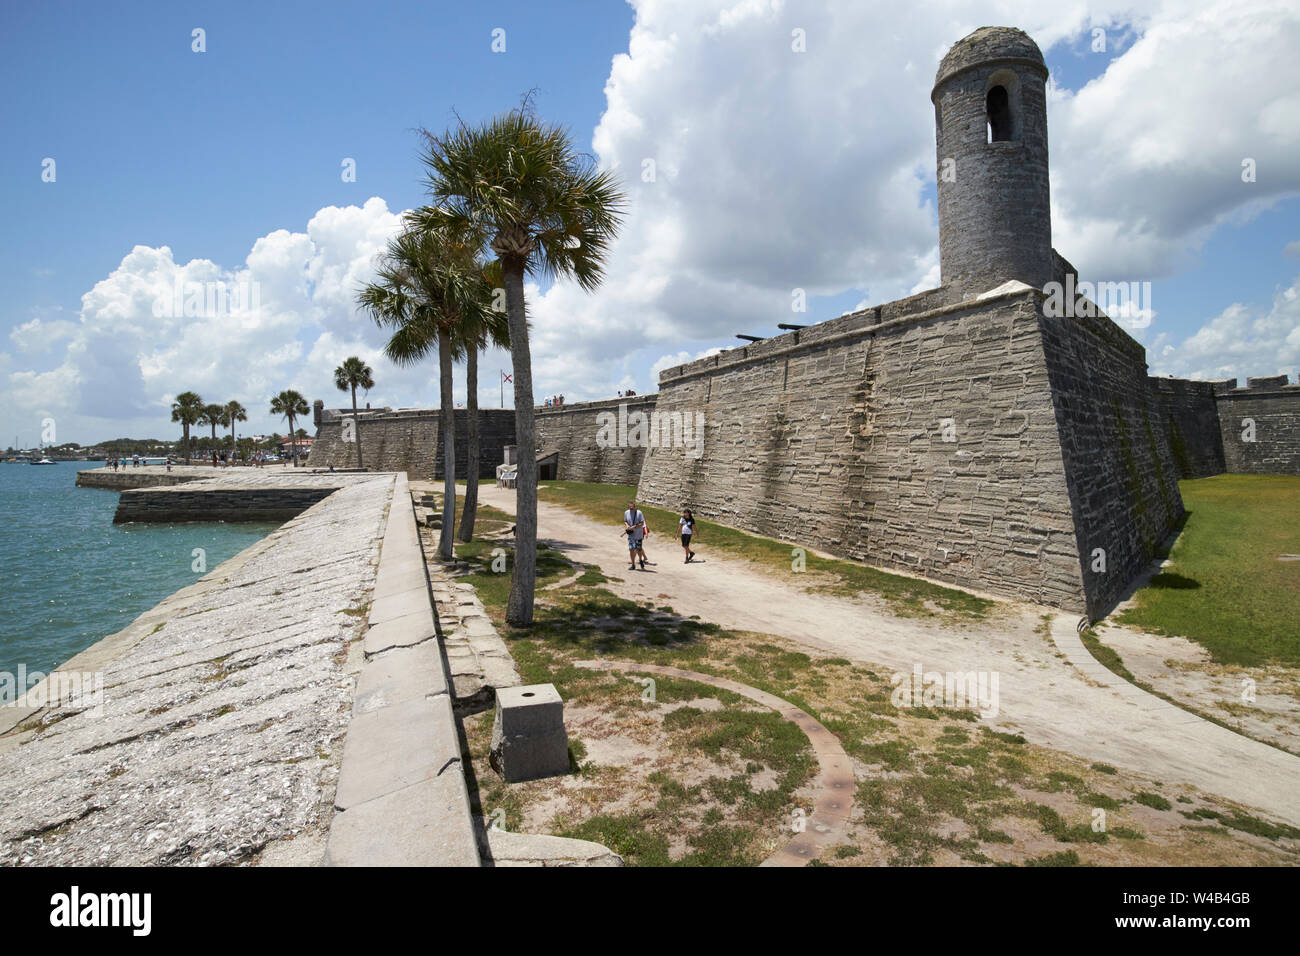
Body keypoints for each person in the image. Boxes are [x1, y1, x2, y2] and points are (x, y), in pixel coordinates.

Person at [624, 500, 648, 571]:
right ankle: (633, 564)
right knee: (631, 549)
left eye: (632, 507)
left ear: (634, 507)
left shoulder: (639, 513)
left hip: (638, 535)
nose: (631, 508)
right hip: (631, 535)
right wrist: (627, 525)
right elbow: (625, 521)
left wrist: (634, 527)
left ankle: (640, 559)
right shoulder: (626, 513)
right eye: (630, 507)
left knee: (639, 550)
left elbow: (642, 523)